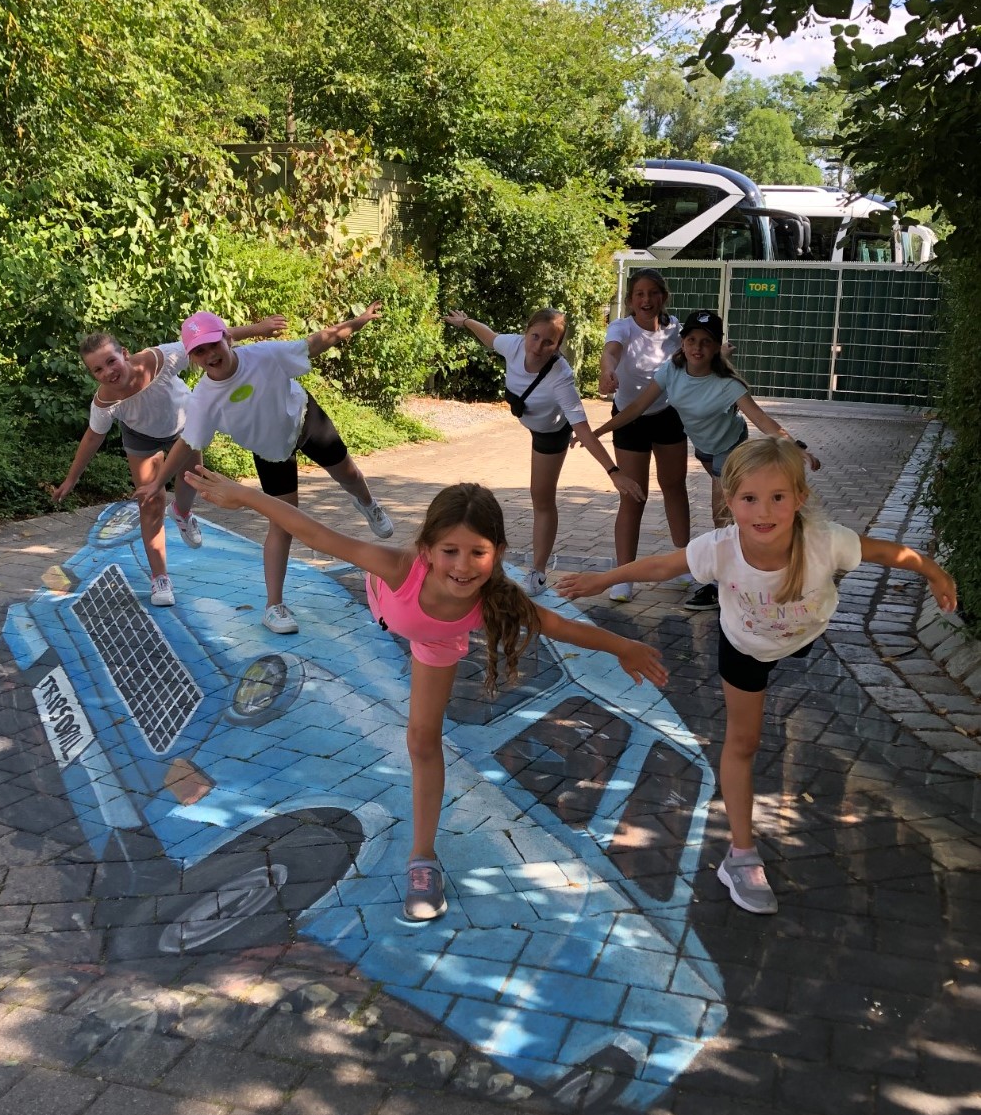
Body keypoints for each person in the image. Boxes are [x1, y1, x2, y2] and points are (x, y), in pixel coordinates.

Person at [183, 469, 669, 921]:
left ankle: (423, 858)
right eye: (450, 551)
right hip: (389, 602)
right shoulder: (400, 567)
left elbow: (560, 626)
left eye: (477, 552)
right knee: (410, 690)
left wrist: (623, 646)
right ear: (428, 551)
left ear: (498, 552)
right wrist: (247, 497)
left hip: (434, 640)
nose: (463, 566)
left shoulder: (494, 597)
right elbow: (316, 535)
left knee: (421, 741)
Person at [556, 436, 957, 916]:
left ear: (799, 498)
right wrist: (604, 578)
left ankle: (791, 665)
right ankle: (741, 856)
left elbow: (888, 553)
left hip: (802, 634)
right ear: (729, 501)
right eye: (749, 498)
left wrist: (934, 572)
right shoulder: (721, 548)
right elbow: (663, 565)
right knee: (743, 742)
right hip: (744, 645)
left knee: (796, 662)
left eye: (777, 497)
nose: (763, 512)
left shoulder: (825, 540)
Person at [136, 304, 395, 635]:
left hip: (306, 420)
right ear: (193, 358)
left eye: (214, 344)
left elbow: (317, 342)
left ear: (228, 338)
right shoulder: (203, 399)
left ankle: (368, 505)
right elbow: (187, 443)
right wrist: (157, 481)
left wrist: (358, 322)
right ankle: (274, 607)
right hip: (272, 452)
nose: (210, 354)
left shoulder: (264, 355)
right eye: (199, 351)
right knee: (283, 522)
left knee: (351, 476)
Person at [592, 309, 822, 612]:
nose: (697, 347)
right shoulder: (671, 371)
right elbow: (636, 408)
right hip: (704, 450)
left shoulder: (728, 385)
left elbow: (763, 420)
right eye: (691, 340)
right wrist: (598, 431)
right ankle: (752, 569)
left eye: (706, 342)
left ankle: (726, 585)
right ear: (682, 343)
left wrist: (797, 448)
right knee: (730, 516)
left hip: (730, 450)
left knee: (723, 516)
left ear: (715, 347)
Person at [53, 316, 286, 607]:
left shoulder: (162, 358)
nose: (108, 372)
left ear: (124, 354)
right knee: (150, 501)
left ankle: (182, 513)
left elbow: (210, 338)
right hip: (142, 437)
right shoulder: (105, 403)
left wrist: (258, 329)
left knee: (193, 479)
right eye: (97, 369)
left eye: (111, 361)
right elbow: (91, 438)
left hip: (185, 428)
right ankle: (159, 577)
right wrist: (72, 478)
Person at [443, 307, 643, 597]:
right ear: (526, 333)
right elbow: (489, 336)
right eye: (534, 337)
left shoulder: (560, 377)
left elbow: (582, 429)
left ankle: (537, 572)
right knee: (537, 495)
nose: (538, 347)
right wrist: (466, 322)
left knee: (541, 497)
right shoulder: (513, 345)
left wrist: (614, 472)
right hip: (530, 421)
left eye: (548, 342)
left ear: (558, 346)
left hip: (550, 434)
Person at [599, 269, 689, 603]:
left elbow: (697, 354)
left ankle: (684, 562)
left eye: (653, 293)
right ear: (630, 300)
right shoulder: (621, 327)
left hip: (667, 415)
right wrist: (607, 370)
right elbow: (611, 352)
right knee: (633, 496)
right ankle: (624, 575)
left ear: (663, 296)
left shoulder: (675, 329)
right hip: (628, 418)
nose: (646, 299)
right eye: (639, 293)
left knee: (674, 486)